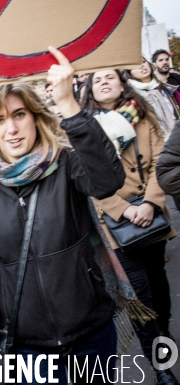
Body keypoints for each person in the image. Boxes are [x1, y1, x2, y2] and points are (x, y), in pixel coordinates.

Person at [0, 47, 126, 384]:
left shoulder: (66, 163)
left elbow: (109, 181)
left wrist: (69, 105)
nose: (12, 129)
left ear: (35, 117)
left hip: (90, 337)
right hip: (28, 350)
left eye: (19, 115)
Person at [81, 69, 178, 385]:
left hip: (152, 216)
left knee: (159, 289)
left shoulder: (143, 116)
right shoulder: (85, 129)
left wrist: (150, 202)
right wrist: (124, 210)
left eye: (111, 76)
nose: (105, 81)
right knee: (139, 298)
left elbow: (161, 161)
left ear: (122, 83)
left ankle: (162, 334)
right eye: (98, 79)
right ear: (89, 91)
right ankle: (160, 365)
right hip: (117, 224)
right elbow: (88, 179)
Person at [123, 58, 180, 139]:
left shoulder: (165, 88)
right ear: (129, 73)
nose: (142, 66)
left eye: (143, 62)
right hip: (159, 142)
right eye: (135, 66)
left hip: (176, 136)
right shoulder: (133, 97)